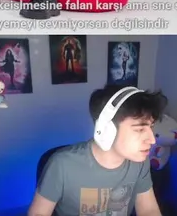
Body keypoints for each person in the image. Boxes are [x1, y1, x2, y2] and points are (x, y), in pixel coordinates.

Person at [27, 85, 165, 216]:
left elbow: (149, 210)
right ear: (106, 129)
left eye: (151, 127)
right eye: (140, 129)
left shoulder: (140, 162)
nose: (152, 140)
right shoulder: (62, 165)